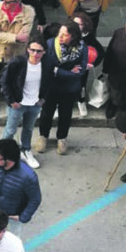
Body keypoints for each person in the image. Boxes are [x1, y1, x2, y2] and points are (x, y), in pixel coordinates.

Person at [35, 21, 88, 156]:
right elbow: (48, 68)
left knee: (66, 114)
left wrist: (58, 70)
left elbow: (81, 72)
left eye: (65, 35)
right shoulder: (50, 44)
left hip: (70, 88)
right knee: (47, 113)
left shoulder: (82, 48)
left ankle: (62, 138)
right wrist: (68, 71)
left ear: (73, 36)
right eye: (60, 33)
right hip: (51, 86)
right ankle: (43, 136)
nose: (61, 37)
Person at [0, 37, 49, 169]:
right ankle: (4, 153)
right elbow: (4, 81)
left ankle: (26, 150)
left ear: (44, 52)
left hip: (34, 104)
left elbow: (49, 83)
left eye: (39, 51)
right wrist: (11, 101)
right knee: (10, 130)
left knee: (28, 129)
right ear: (27, 49)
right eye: (32, 50)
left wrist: (43, 99)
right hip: (18, 103)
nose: (35, 54)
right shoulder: (18, 62)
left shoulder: (46, 65)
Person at [0, 139, 42, 223]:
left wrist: (22, 217)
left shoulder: (28, 176)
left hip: (11, 217)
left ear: (8, 160)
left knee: (9, 236)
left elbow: (35, 199)